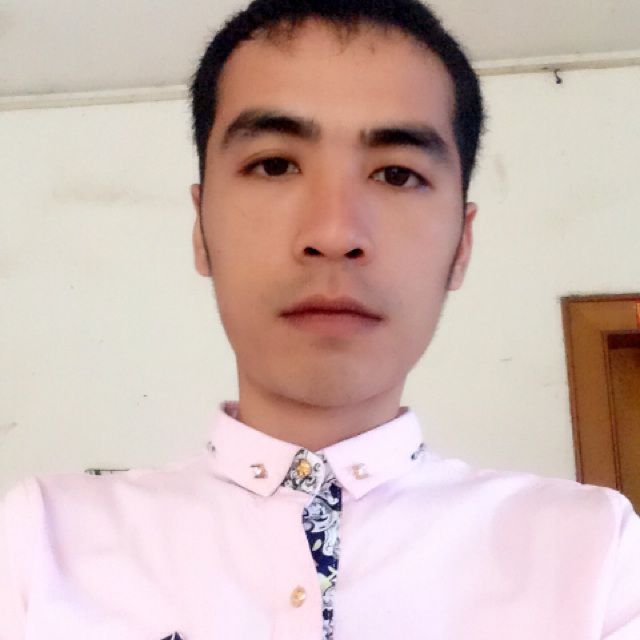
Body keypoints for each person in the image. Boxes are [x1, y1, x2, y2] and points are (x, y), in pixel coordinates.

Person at [1, 0, 639, 638]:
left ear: (461, 245)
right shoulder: (40, 545)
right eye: (274, 165)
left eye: (397, 174)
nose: (334, 234)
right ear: (201, 229)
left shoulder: (594, 555)